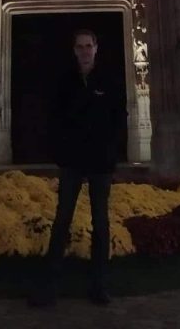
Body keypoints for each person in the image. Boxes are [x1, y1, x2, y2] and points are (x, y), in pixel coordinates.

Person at [30, 27, 127, 307]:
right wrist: (62, 151)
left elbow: (119, 117)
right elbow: (54, 118)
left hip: (100, 160)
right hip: (72, 160)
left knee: (101, 222)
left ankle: (98, 285)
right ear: (74, 51)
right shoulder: (66, 81)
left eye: (89, 46)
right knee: (62, 221)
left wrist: (111, 151)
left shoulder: (109, 80)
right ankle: (50, 285)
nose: (85, 51)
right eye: (80, 47)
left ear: (96, 48)